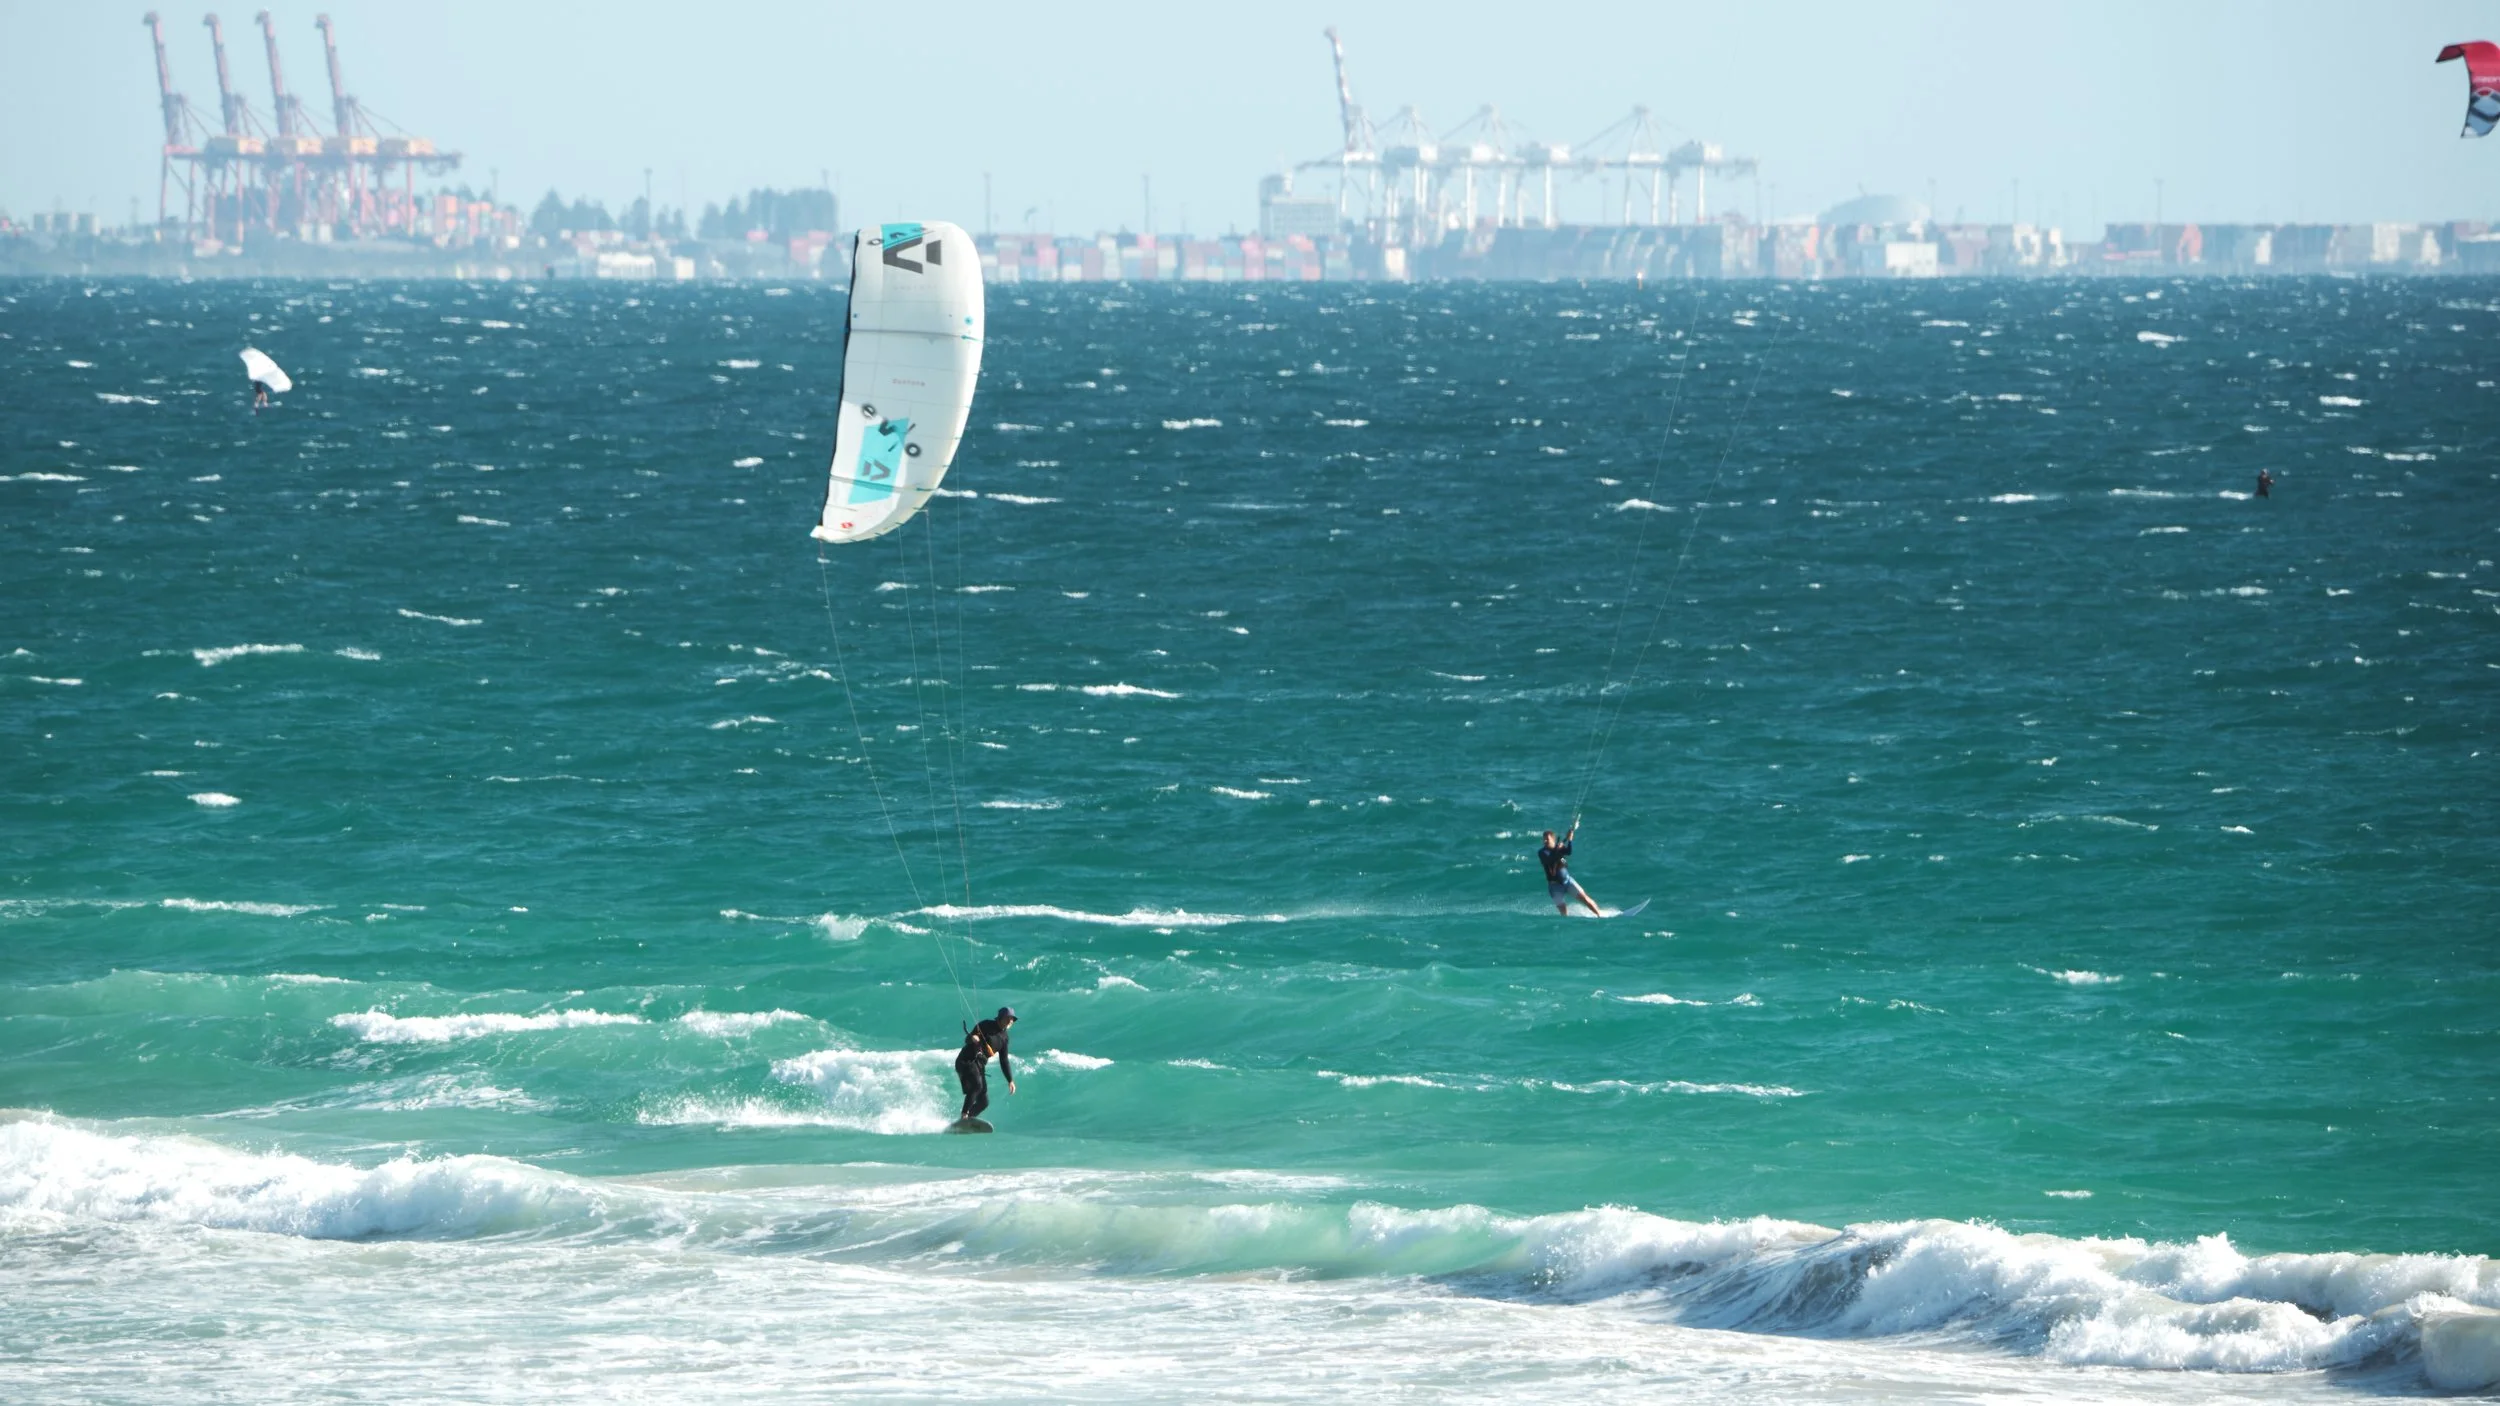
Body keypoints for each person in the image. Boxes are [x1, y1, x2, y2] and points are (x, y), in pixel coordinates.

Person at [955, 1006, 1017, 1122]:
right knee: (977, 1085)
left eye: (1012, 1019)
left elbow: (1004, 1060)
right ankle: (964, 1115)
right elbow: (967, 1039)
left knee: (984, 1102)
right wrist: (972, 1038)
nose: (1010, 1021)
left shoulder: (1004, 1038)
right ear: (1000, 1017)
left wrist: (1010, 1080)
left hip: (979, 1065)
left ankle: (967, 1120)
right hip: (966, 1060)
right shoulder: (986, 1025)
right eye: (1008, 1018)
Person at [1539, 824, 1601, 917]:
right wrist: (1558, 848)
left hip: (1568, 881)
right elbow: (1550, 859)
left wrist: (1570, 840)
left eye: (1547, 839)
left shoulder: (1559, 848)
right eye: (1544, 839)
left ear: (1553, 839)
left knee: (1585, 899)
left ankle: (1599, 915)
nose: (1545, 841)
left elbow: (1568, 852)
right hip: (1554, 886)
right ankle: (1565, 922)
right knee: (1563, 909)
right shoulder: (1542, 852)